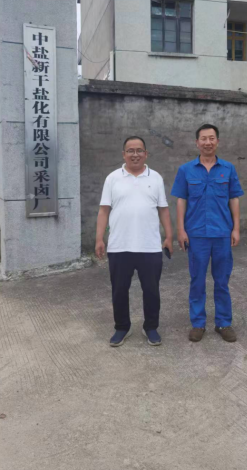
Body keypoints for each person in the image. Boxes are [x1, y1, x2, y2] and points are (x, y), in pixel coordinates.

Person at [95, 136, 173, 347]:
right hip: (120, 246)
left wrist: (169, 236)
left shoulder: (155, 178)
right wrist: (99, 238)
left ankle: (151, 327)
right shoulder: (113, 178)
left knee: (151, 290)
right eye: (130, 151)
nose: (135, 154)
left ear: (146, 154)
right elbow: (104, 210)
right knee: (119, 290)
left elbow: (163, 210)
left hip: (150, 246)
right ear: (124, 154)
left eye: (139, 150)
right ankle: (122, 327)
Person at [171, 124, 244, 343]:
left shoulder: (228, 169)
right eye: (203, 138)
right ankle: (198, 323)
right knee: (197, 280)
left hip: (222, 233)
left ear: (217, 141)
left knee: (222, 280)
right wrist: (181, 230)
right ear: (197, 143)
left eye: (212, 138)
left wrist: (236, 228)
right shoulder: (186, 170)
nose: (208, 142)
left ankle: (223, 323)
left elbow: (234, 199)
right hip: (196, 234)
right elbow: (181, 200)